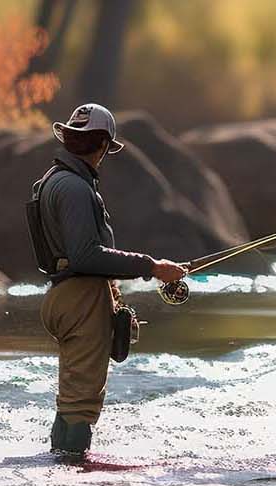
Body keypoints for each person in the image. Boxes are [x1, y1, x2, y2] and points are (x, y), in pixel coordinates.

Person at [30, 103, 189, 456]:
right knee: (81, 406)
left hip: (64, 296)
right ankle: (70, 481)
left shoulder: (54, 181)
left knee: (71, 399)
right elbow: (87, 255)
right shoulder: (74, 188)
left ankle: (61, 467)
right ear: (102, 145)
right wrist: (153, 267)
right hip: (81, 300)